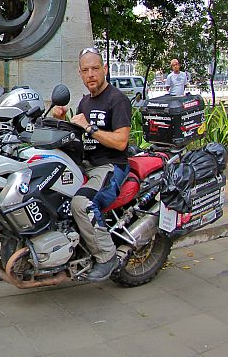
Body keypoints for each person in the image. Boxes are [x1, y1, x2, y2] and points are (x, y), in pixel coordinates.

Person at [53, 46, 131, 282]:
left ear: (104, 69)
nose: (91, 75)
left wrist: (89, 127)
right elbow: (80, 136)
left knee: (81, 202)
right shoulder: (84, 102)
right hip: (86, 164)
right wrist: (61, 121)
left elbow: (120, 142)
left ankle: (107, 257)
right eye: (85, 70)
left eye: (95, 68)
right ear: (80, 73)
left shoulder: (117, 100)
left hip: (109, 166)